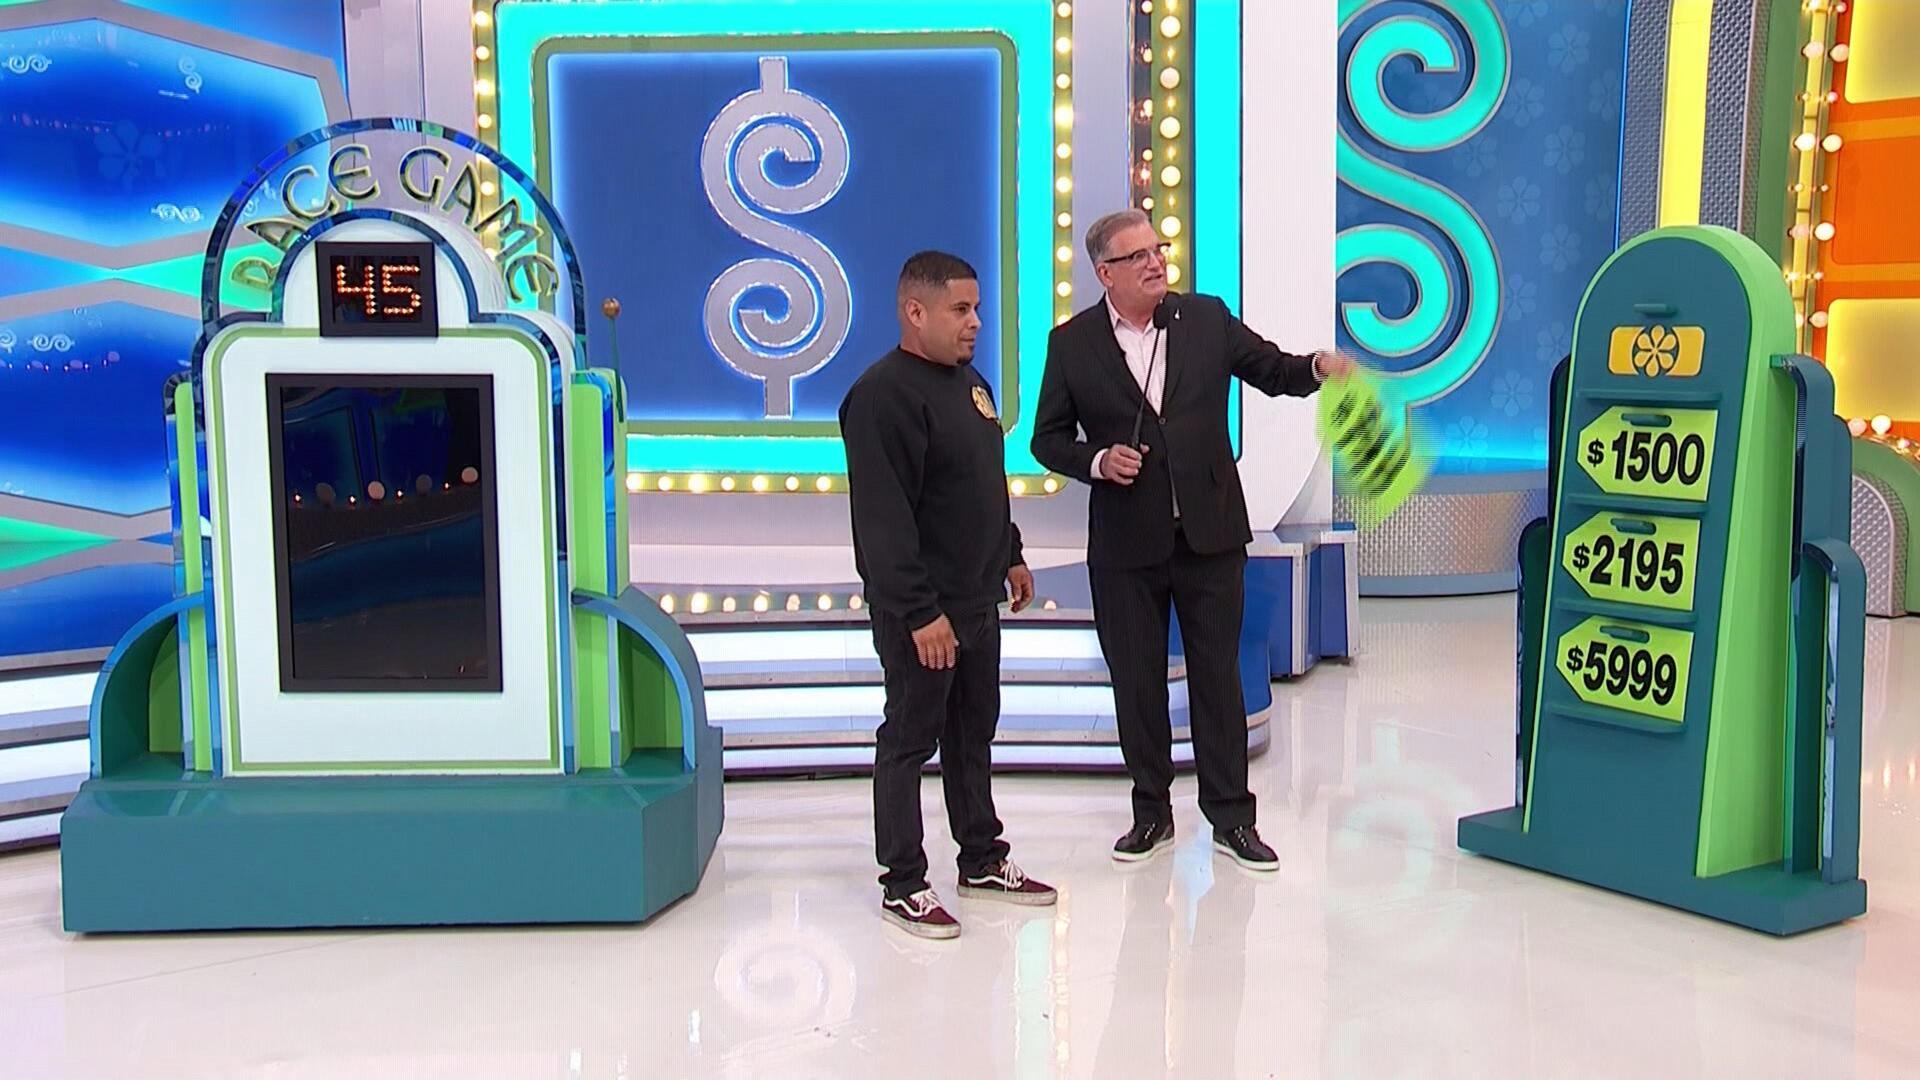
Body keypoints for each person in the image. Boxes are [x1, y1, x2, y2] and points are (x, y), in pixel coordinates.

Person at [1031, 210, 1355, 871]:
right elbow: (1047, 438)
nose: (1156, 262)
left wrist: (1318, 367)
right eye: (1138, 256)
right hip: (1126, 545)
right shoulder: (1072, 344)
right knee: (1138, 682)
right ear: (1105, 273)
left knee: (1217, 679)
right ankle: (1151, 813)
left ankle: (1232, 818)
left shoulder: (1205, 318)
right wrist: (1097, 461)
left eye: (1158, 248)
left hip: (1210, 535)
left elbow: (1273, 369)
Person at [840, 250, 1056, 939]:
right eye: (961, 310)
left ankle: (982, 858)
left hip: (977, 603)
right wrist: (918, 612)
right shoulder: (881, 398)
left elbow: (981, 484)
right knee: (909, 740)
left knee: (972, 734)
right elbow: (883, 520)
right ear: (915, 312)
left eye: (976, 309)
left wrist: (1011, 555)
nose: (975, 323)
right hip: (923, 615)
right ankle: (903, 881)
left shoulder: (971, 385)